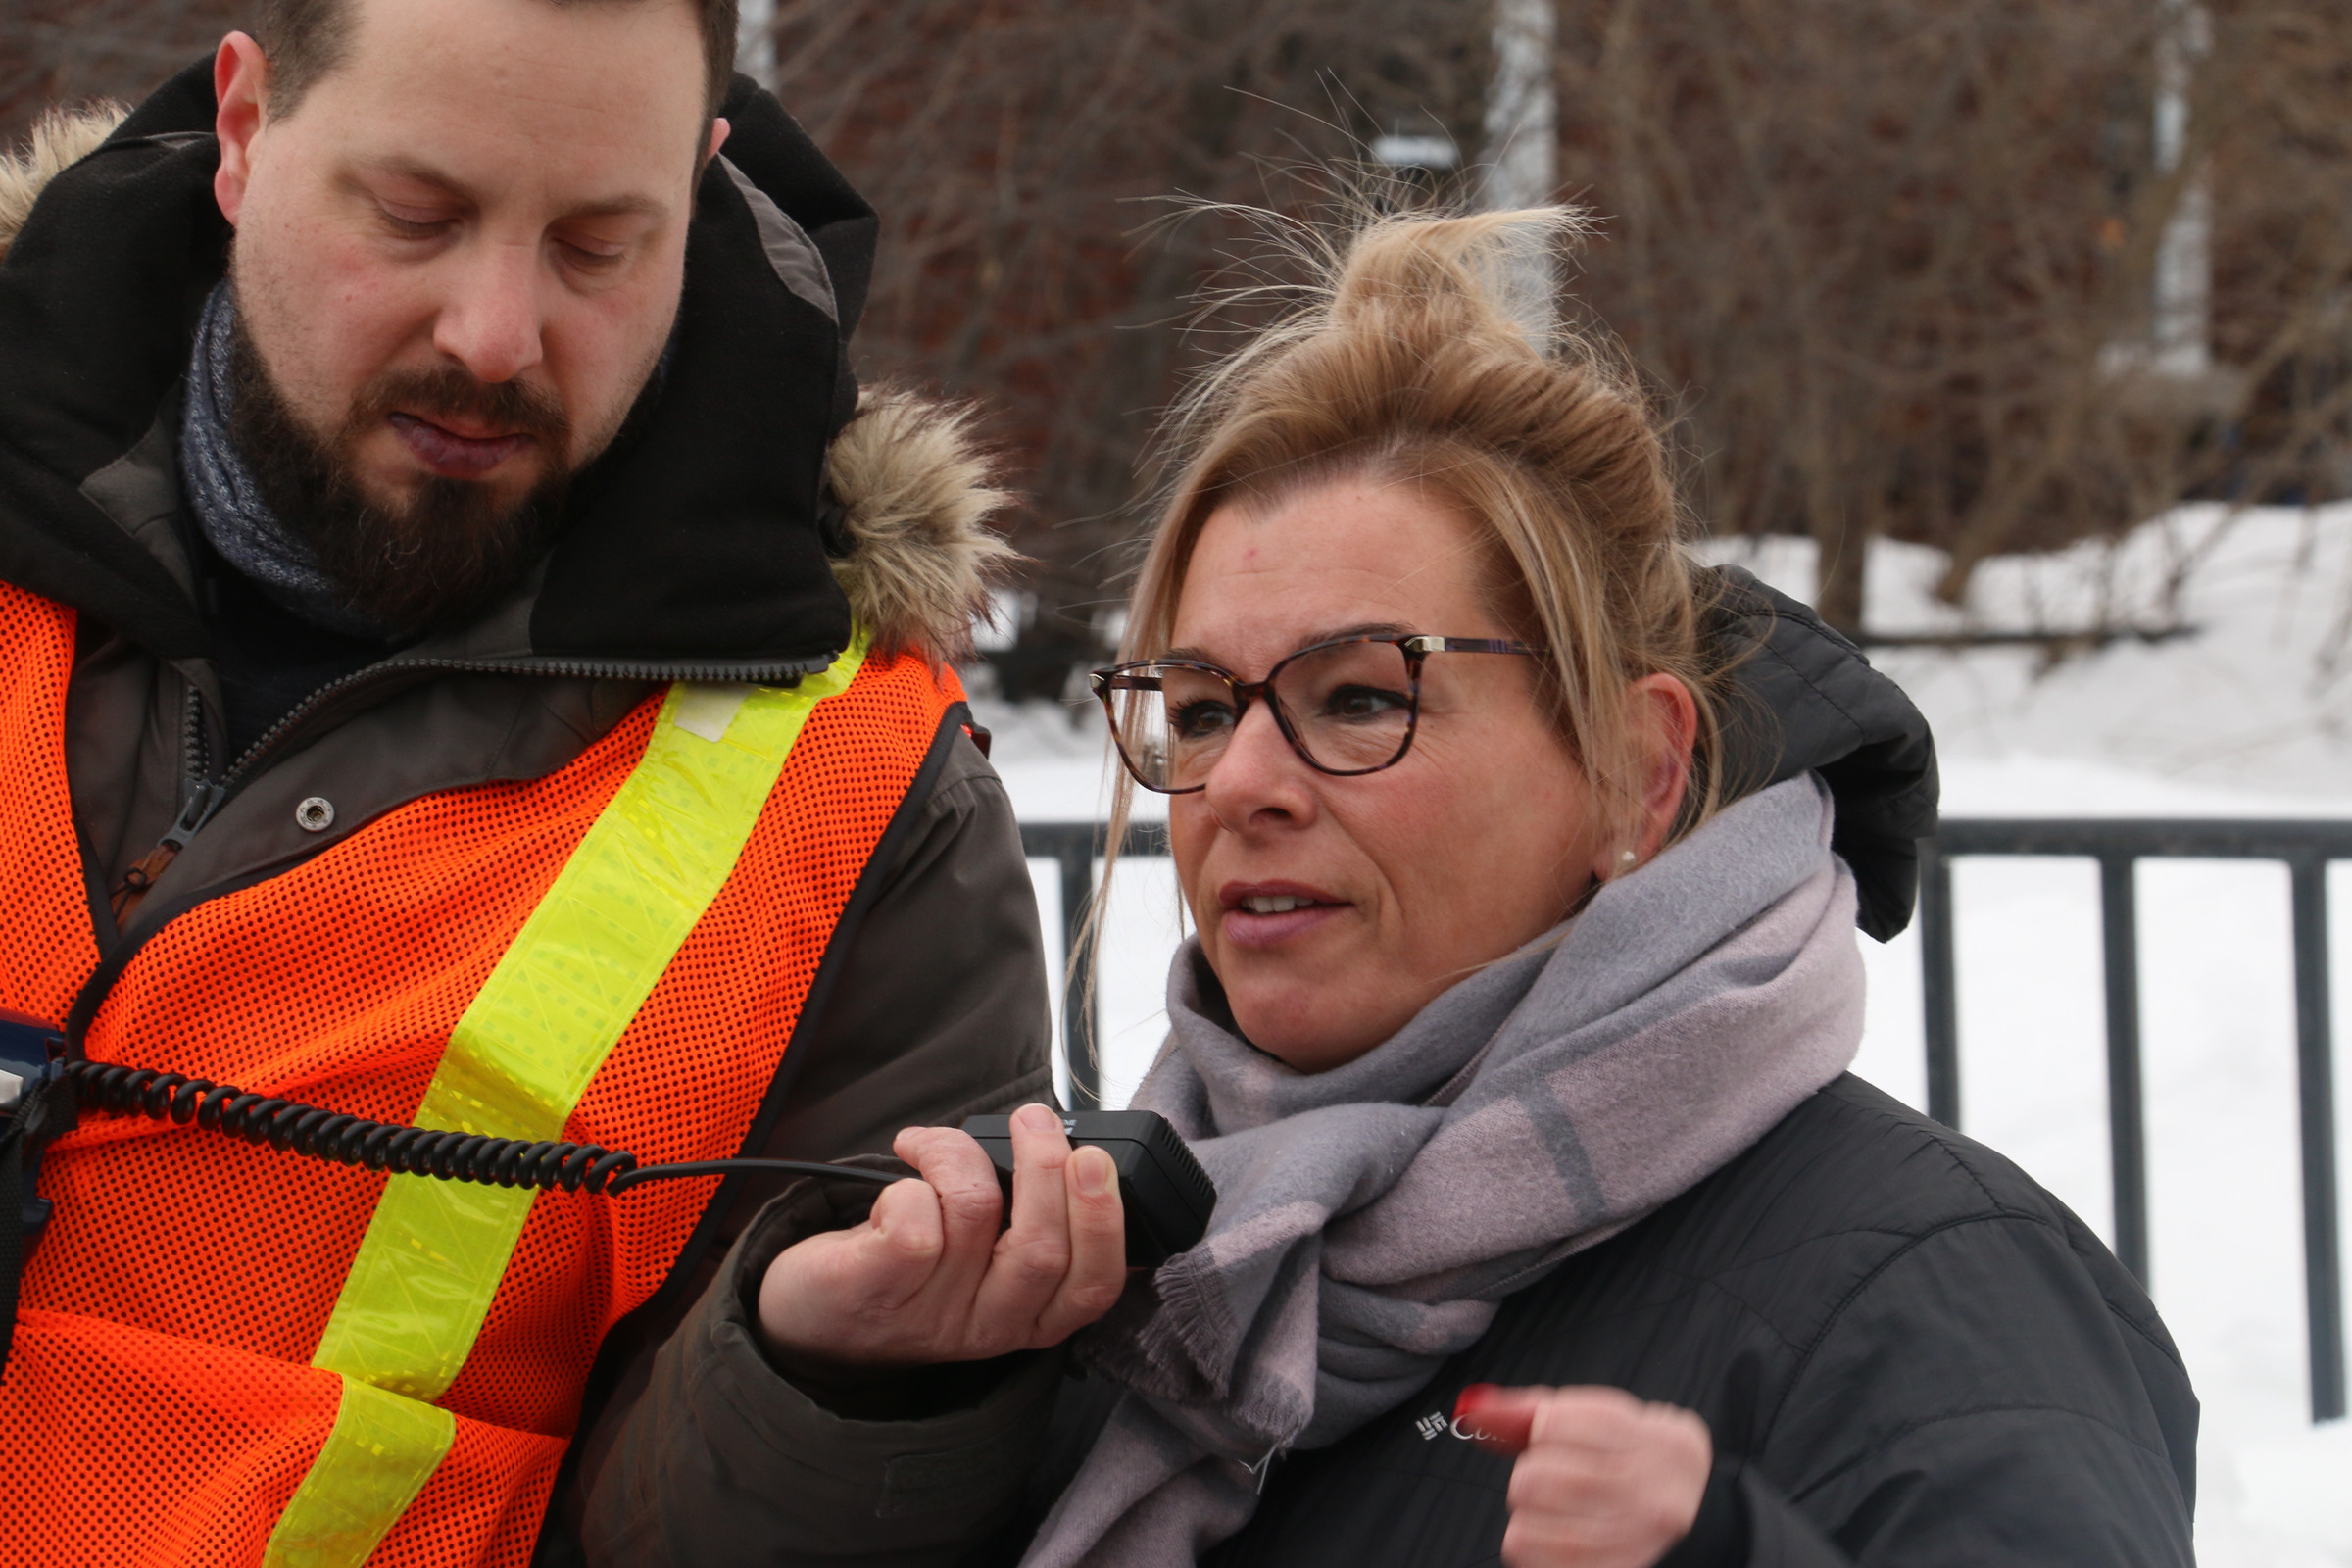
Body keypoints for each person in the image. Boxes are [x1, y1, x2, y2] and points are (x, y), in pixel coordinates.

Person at [597, 211, 2200, 1567]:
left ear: (1640, 774)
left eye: (1363, 697)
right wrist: (841, 1390)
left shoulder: (1929, 1288)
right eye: (1205, 707)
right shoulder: (1126, 1264)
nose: (1242, 783)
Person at [0, 1, 1074, 1561]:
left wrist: (826, 1393)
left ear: (699, 196)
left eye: (597, 247)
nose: (495, 338)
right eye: (418, 216)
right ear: (244, 130)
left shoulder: (859, 803)